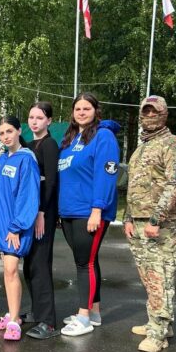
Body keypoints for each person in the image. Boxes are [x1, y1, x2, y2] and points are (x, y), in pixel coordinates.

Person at [123, 95, 176, 352]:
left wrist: (156, 219)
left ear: (164, 115)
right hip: (139, 224)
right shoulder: (142, 148)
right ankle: (158, 323)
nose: (150, 116)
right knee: (148, 277)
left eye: (155, 112)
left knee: (159, 277)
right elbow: (134, 187)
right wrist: (128, 217)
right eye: (146, 111)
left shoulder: (173, 145)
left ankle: (158, 334)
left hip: (161, 226)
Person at [57, 93, 120, 337]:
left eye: (87, 108)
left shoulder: (103, 136)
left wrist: (97, 209)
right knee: (87, 261)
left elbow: (106, 174)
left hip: (89, 212)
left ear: (96, 111)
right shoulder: (70, 138)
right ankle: (94, 312)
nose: (82, 112)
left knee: (85, 263)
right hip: (70, 211)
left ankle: (83, 317)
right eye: (78, 109)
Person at [0, 116, 40, 341]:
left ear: (19, 131)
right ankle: (12, 313)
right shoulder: (1, 160)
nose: (5, 136)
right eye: (1, 133)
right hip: (0, 224)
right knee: (7, 271)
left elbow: (29, 196)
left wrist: (17, 227)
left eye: (9, 131)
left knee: (10, 270)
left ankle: (15, 321)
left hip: (15, 227)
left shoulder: (26, 159)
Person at [22, 102, 61, 340]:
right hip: (30, 212)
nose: (34, 121)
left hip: (43, 213)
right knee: (29, 264)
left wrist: (42, 212)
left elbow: (51, 181)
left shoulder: (49, 145)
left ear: (49, 121)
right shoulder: (28, 145)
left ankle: (48, 321)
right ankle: (37, 311)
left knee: (40, 264)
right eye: (31, 117)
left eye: (39, 117)